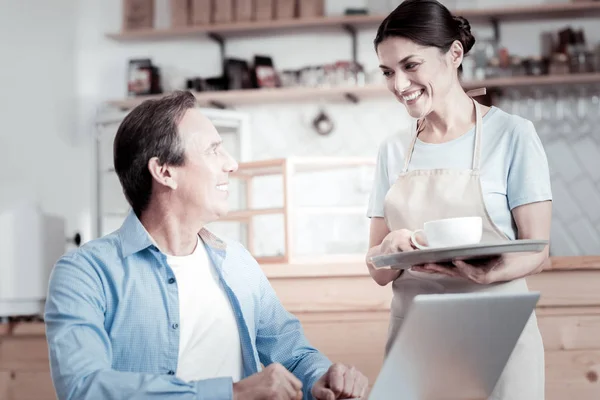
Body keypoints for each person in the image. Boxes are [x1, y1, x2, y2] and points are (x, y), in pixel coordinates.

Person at [45, 91, 369, 400]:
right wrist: (232, 394)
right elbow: (83, 387)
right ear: (165, 171)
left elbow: (293, 355)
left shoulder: (237, 261)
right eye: (213, 149)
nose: (231, 164)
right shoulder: (85, 272)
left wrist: (322, 377)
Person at [365, 1, 552, 399]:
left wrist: (487, 273)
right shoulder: (393, 150)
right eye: (388, 72)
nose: (399, 85)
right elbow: (378, 269)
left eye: (411, 66)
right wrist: (388, 248)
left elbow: (539, 249)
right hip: (416, 339)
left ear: (454, 54)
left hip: (498, 332)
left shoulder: (513, 135)